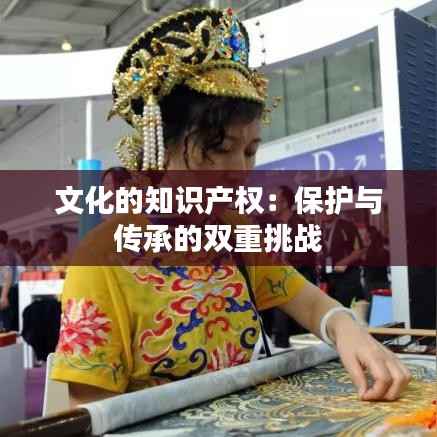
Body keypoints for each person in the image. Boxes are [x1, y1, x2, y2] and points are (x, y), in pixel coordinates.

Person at [51, 7, 410, 407]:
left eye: (250, 151)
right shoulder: (102, 260)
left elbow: (307, 300)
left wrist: (345, 326)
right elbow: (91, 412)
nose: (240, 170)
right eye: (219, 148)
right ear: (161, 145)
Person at [319, 211, 365, 308]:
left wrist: (345, 261)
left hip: (347, 278)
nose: (323, 211)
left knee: (346, 310)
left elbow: (359, 250)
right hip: (329, 278)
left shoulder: (347, 226)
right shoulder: (320, 229)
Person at [363, 226, 390, 301]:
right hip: (383, 281)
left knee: (371, 304)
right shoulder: (384, 250)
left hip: (371, 283)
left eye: (365, 233)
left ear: (369, 235)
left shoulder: (367, 252)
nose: (364, 236)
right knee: (383, 305)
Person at [0, 230, 19, 332]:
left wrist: (4, 296)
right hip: (8, 290)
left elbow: (7, 272)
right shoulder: (7, 252)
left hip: (6, 290)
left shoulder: (4, 253)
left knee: (7, 325)